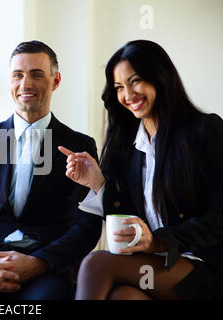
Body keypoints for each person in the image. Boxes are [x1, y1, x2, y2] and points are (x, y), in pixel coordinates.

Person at [59, 39, 223, 299]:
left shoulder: (205, 130)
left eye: (135, 81)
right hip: (150, 266)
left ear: (160, 77)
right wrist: (97, 183)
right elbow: (131, 221)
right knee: (122, 296)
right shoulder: (126, 146)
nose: (128, 95)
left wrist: (160, 241)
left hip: (200, 266)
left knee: (95, 264)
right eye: (119, 87)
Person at [0, 40, 102, 299]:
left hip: (44, 268)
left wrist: (41, 262)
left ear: (55, 81)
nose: (25, 84)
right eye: (18, 75)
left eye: (37, 74)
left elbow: (87, 223)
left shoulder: (79, 145)